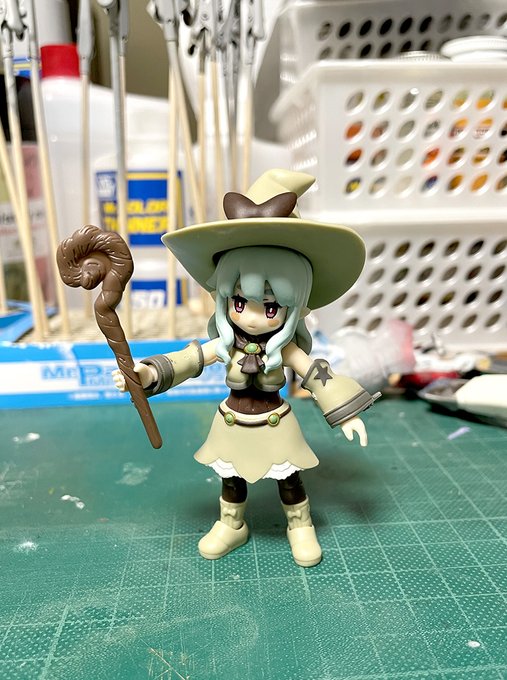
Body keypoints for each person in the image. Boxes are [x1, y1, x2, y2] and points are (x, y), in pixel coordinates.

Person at [113, 169, 380, 567]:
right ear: (224, 297)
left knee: (288, 477)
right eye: (239, 302)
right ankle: (232, 524)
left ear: (295, 306)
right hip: (233, 420)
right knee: (231, 477)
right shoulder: (225, 344)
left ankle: (300, 525)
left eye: (271, 307)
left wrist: (345, 411)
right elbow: (190, 359)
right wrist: (147, 375)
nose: (252, 318)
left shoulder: (284, 348)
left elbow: (316, 374)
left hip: (275, 421)